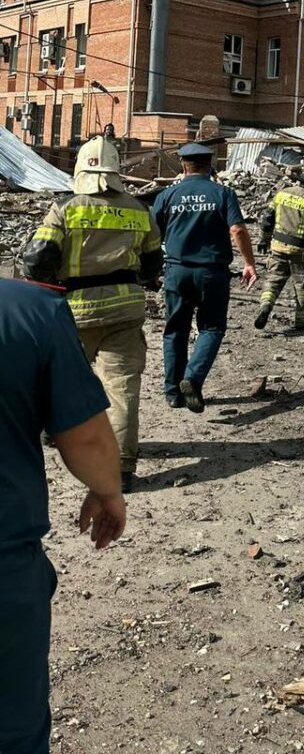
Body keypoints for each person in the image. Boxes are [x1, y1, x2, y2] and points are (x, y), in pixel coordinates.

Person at [0, 277, 126, 754]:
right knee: (11, 723)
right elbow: (86, 437)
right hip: (4, 563)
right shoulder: (29, 309)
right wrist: (107, 490)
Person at [21, 136, 163, 494]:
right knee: (123, 390)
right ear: (116, 171)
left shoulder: (65, 208)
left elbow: (37, 260)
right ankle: (121, 470)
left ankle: (55, 435)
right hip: (126, 309)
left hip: (76, 311)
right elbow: (152, 265)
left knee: (62, 379)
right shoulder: (138, 209)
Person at [151, 142, 257, 413]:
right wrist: (249, 263)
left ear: (183, 165)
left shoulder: (167, 195)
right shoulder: (223, 193)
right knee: (211, 328)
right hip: (212, 273)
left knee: (175, 330)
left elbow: (151, 236)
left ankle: (173, 393)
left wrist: (150, 271)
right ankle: (193, 378)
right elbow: (238, 230)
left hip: (177, 272)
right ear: (210, 165)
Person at [255, 164, 304, 332]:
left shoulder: (282, 194)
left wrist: (263, 239)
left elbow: (267, 218)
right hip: (299, 251)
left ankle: (265, 305)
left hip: (277, 246)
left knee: (273, 279)